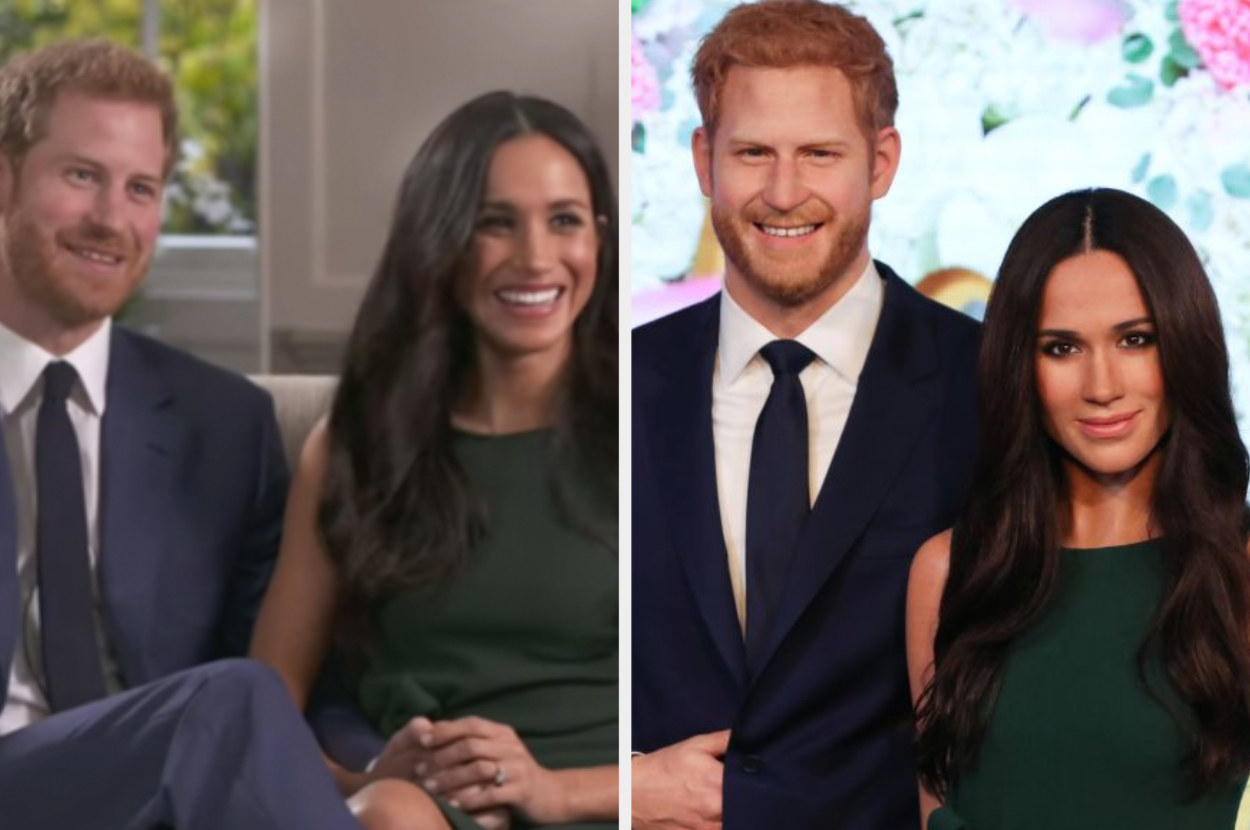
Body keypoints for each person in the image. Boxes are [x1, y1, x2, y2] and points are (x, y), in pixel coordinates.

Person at [631, 2, 980, 828]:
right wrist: (616, 788)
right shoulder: (618, 383)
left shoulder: (987, 384)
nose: (784, 193)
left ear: (882, 161)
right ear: (703, 161)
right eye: (753, 152)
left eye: (820, 154)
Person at [0, 39, 361, 829]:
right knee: (229, 699)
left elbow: (289, 680)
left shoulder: (223, 426)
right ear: (5, 178)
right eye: (81, 175)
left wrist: (379, 770)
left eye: (141, 188)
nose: (110, 219)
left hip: (162, 795)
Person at [249, 89, 619, 830]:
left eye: (565, 221)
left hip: (622, 798)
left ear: (600, 239)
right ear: (441, 243)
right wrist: (362, 776)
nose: (536, 258)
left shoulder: (659, 425)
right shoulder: (358, 446)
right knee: (387, 814)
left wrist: (555, 791)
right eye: (494, 224)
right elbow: (260, 707)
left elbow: (737, 723)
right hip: (436, 812)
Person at [907, 187, 1250, 829]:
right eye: (1061, 348)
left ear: (1185, 343)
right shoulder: (951, 572)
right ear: (1020, 366)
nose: (1102, 387)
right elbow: (939, 811)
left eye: (1136, 340)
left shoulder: (1238, 566)